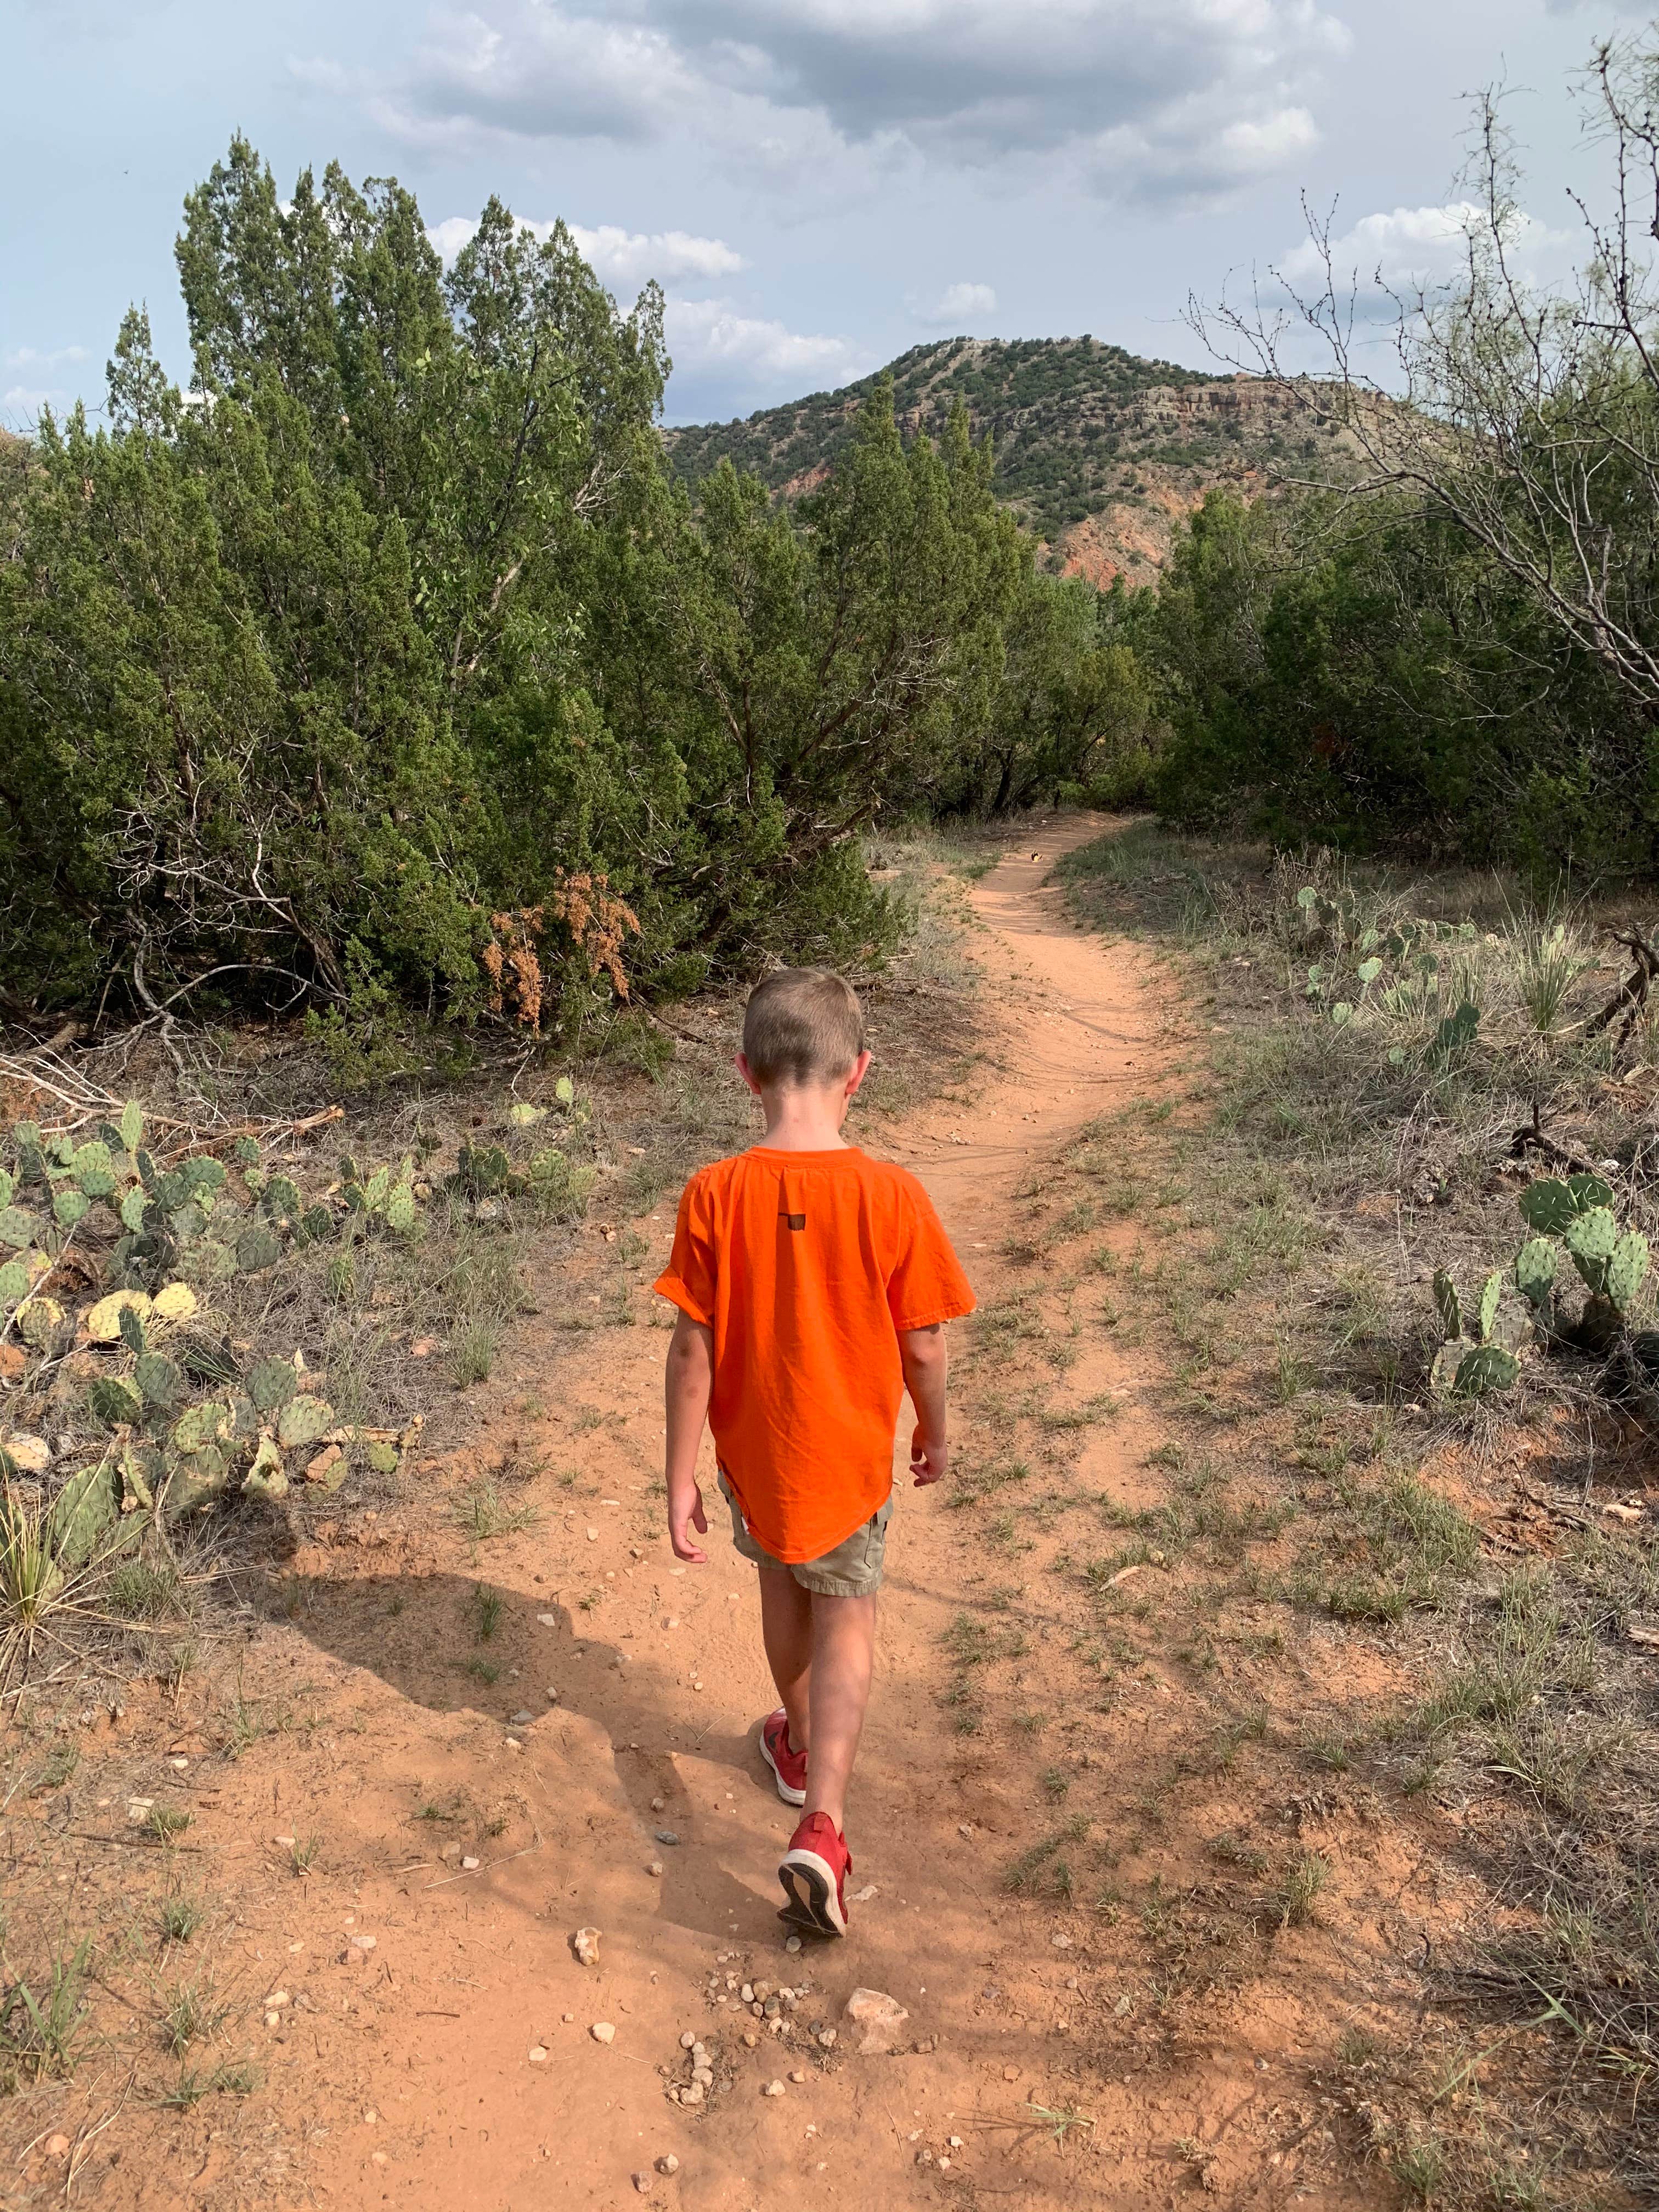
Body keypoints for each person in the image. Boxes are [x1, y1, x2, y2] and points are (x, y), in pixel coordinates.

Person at [653, 968, 975, 1937]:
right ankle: (823, 1821)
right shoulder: (892, 1195)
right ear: (859, 1073)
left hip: (756, 1458)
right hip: (847, 1465)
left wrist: (678, 1478)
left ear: (746, 1072)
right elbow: (922, 1341)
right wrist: (935, 1426)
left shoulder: (714, 1195)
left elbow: (691, 1347)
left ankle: (795, 1739)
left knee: (783, 1600)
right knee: (850, 1621)